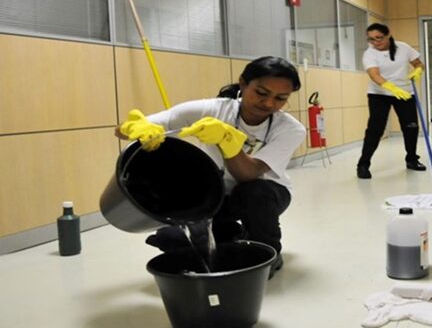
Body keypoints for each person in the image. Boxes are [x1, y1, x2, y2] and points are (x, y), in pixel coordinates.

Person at [116, 56, 306, 277]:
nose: (269, 104)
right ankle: (230, 235)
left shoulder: (290, 129)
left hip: (266, 195)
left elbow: (249, 174)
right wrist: (137, 128)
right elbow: (123, 130)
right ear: (243, 83)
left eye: (281, 98)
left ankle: (268, 253)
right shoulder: (212, 109)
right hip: (216, 196)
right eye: (261, 93)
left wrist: (227, 141)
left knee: (253, 192)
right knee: (171, 238)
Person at [357, 23, 427, 179]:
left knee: (411, 127)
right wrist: (391, 88)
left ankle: (412, 159)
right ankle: (363, 164)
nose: (375, 42)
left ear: (388, 34)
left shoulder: (404, 48)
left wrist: (418, 70)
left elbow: (418, 63)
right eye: (371, 39)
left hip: (405, 93)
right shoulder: (370, 54)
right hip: (379, 94)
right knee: (375, 129)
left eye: (379, 38)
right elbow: (374, 75)